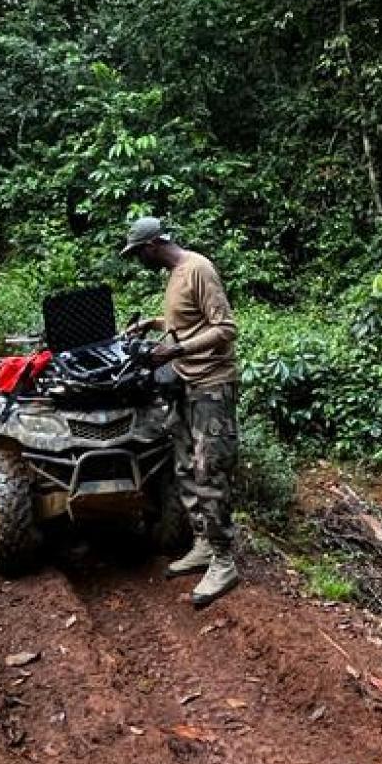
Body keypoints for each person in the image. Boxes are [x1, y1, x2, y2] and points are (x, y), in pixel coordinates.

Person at [120, 215, 241, 607]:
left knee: (210, 469)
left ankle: (224, 560)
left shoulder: (198, 268)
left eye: (139, 252)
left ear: (153, 245)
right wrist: (152, 325)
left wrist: (177, 350)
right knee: (185, 465)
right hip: (185, 384)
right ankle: (204, 542)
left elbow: (224, 328)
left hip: (211, 385)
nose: (139, 259)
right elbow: (187, 322)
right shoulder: (175, 273)